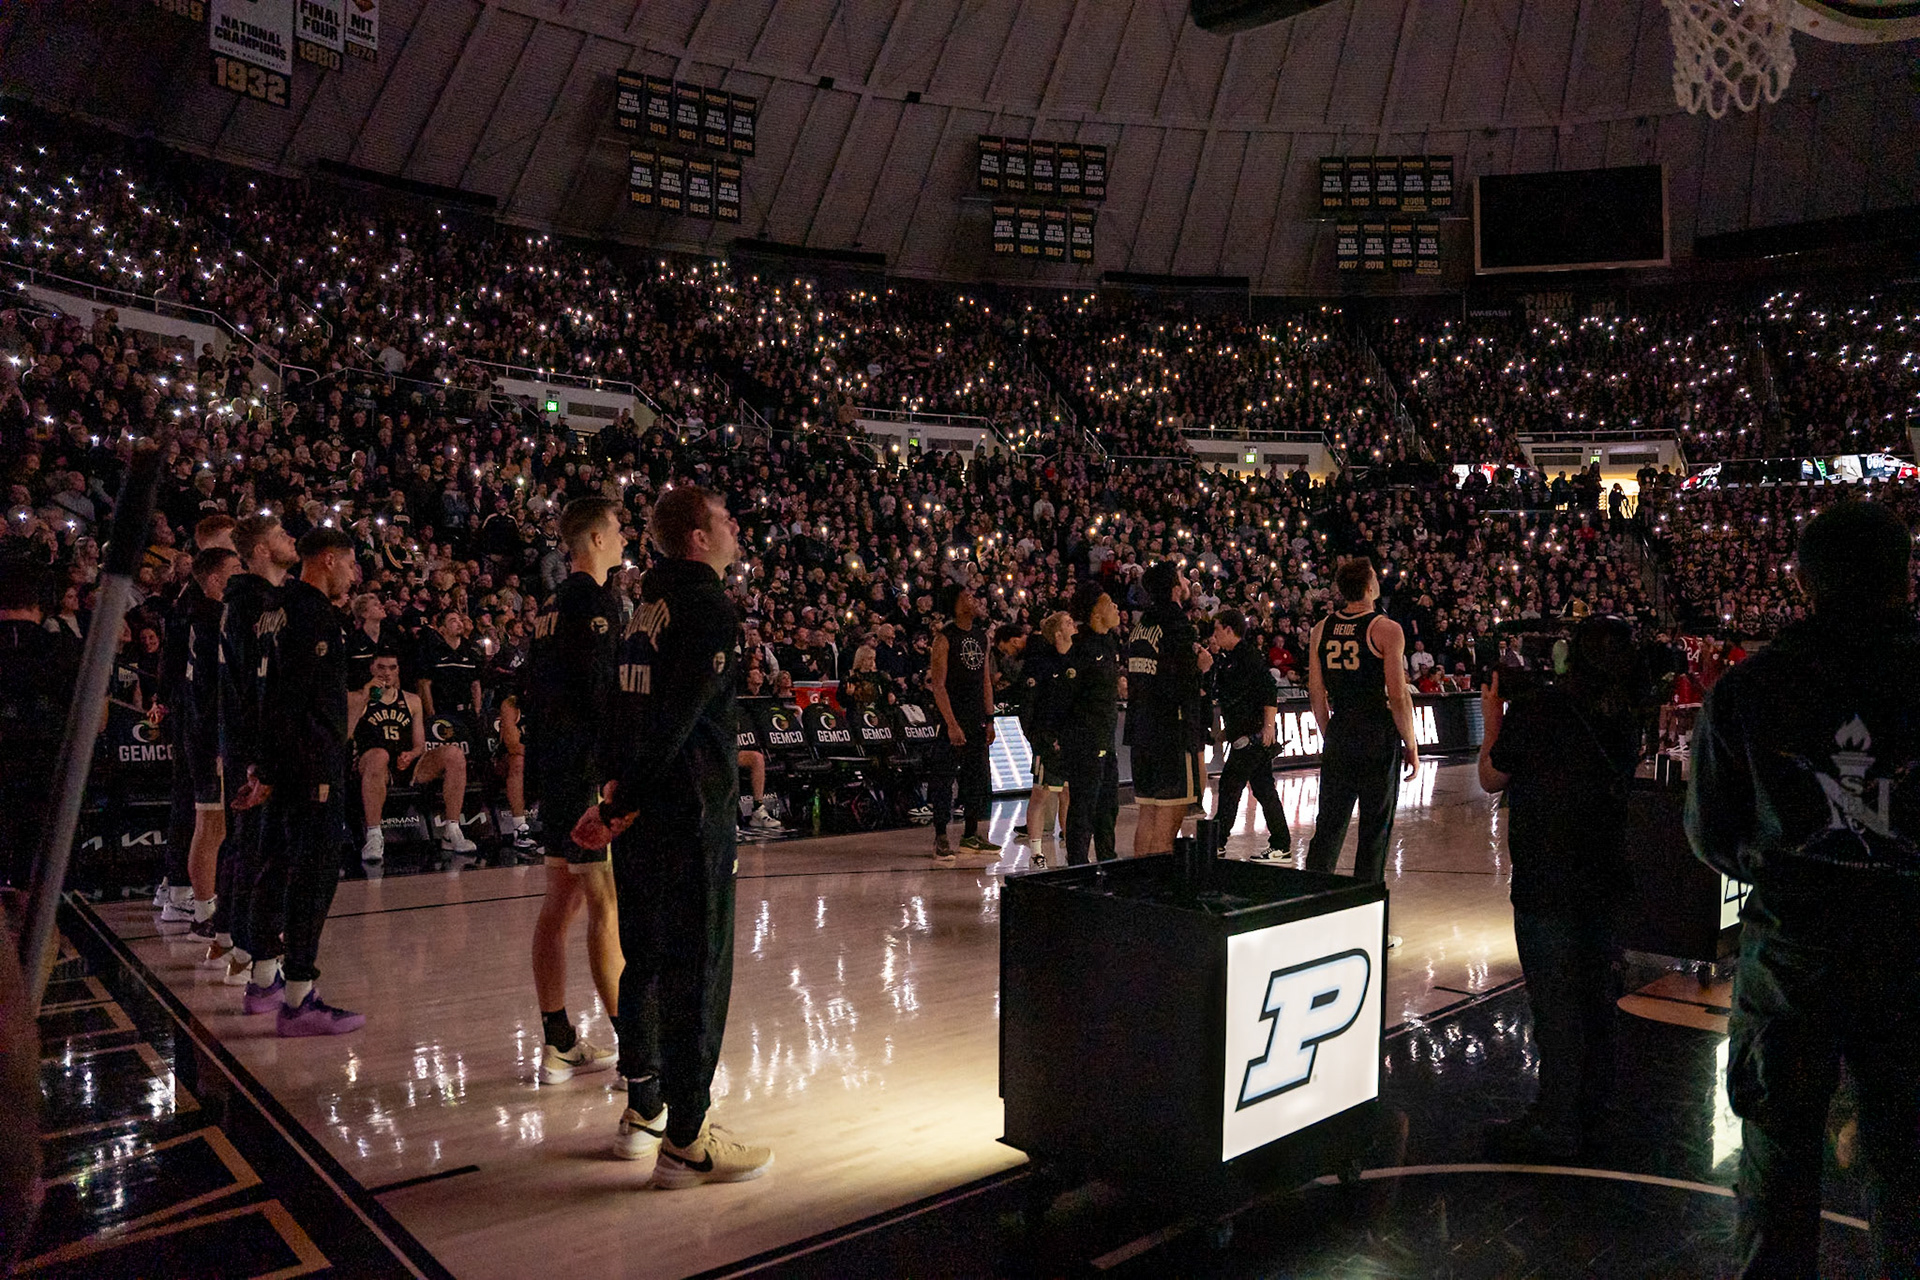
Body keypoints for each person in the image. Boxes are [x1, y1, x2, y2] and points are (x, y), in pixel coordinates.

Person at [1686, 501, 1920, 1277]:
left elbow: (1711, 836)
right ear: (1904, 576)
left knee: (1777, 1178)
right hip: (1909, 957)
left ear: (1801, 581)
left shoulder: (1751, 690)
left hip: (1792, 962)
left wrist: (1792, 864)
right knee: (1909, 1178)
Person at [571, 485, 773, 1187]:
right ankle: (689, 1138)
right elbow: (676, 723)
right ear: (696, 536)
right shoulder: (707, 610)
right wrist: (622, 796)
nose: (734, 525)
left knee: (647, 960)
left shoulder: (642, 609)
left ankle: (645, 1109)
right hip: (687, 817)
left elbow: (622, 714)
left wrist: (614, 798)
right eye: (723, 518)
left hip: (642, 815)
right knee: (699, 971)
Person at [1476, 620, 1646, 1161]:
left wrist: (1491, 720)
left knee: (1554, 1005)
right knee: (1597, 998)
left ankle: (1556, 1122)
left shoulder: (1540, 710)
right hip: (1604, 876)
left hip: (1548, 879)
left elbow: (1491, 776)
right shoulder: (1626, 714)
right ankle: (1597, 1113)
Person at [522, 497, 625, 1085]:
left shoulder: (549, 608)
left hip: (557, 770)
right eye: (615, 530)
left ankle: (558, 1039)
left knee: (558, 903)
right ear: (591, 539)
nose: (623, 538)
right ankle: (633, 1045)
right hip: (587, 774)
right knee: (604, 904)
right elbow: (602, 697)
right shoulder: (594, 602)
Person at [248, 527, 365, 1036]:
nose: (354, 574)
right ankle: (299, 998)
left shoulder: (277, 608)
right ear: (329, 560)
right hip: (310, 766)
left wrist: (263, 766)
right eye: (350, 563)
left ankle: (263, 979)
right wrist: (276, 767)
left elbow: (267, 697)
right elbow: (293, 700)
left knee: (274, 867)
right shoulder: (313, 613)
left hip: (284, 763)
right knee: (313, 877)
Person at [210, 515, 296, 986]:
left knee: (252, 848)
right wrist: (253, 756)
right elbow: (251, 686)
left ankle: (241, 948)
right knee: (261, 850)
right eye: (281, 535)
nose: (290, 540)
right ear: (260, 551)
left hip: (249, 743)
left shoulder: (251, 600)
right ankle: (251, 954)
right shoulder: (252, 604)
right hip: (254, 747)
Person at [1304, 557, 1419, 909]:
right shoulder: (1387, 629)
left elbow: (1316, 692)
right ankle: (1365, 916)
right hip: (1376, 733)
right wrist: (1411, 744)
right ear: (1370, 588)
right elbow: (1397, 695)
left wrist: (1331, 732)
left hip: (1341, 731)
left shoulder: (1321, 629)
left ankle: (1308, 906)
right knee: (1374, 831)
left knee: (1328, 827)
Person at [158, 548, 240, 938]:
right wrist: (221, 741)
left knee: (212, 825)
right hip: (209, 732)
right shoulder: (208, 621)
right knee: (211, 825)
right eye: (233, 569)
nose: (239, 574)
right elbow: (211, 688)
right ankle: (205, 912)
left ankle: (207, 907)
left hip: (202, 728)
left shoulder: (200, 614)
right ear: (213, 579)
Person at [349, 653, 476, 863]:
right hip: (373, 763)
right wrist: (365, 695)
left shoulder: (412, 700)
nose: (386, 673)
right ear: (372, 669)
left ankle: (451, 831)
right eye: (381, 667)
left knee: (454, 753)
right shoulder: (356, 697)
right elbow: (345, 735)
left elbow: (420, 745)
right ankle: (373, 836)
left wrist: (411, 755)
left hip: (408, 763)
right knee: (380, 755)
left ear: (398, 670)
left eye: (392, 667)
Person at [0, 558, 80, 890]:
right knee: (33, 875)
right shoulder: (63, 648)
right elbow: (96, 720)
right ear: (39, 604)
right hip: (44, 767)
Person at [1126, 563, 1211, 857]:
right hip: (1169, 734)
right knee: (1167, 829)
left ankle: (1141, 888)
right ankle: (1159, 893)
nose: (1187, 581)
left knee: (1147, 815)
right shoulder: (1177, 625)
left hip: (1140, 731)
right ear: (1175, 587)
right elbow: (1180, 684)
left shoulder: (1141, 626)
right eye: (1182, 577)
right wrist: (1201, 669)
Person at [926, 582, 999, 865]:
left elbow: (985, 681)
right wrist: (951, 724)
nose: (974, 599)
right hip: (952, 718)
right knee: (944, 778)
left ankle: (971, 834)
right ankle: (941, 835)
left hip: (976, 717)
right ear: (957, 603)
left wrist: (990, 718)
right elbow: (938, 685)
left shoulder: (982, 637)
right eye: (968, 596)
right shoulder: (944, 638)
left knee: (976, 776)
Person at [1210, 608, 1291, 861]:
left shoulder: (1247, 656)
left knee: (1230, 784)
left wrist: (1268, 728)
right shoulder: (1229, 658)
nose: (1213, 634)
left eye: (1216, 629)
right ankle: (1281, 843)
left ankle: (1217, 842)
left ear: (1228, 630)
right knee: (1264, 787)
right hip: (1242, 733)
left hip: (1252, 736)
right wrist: (1227, 731)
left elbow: (1268, 691)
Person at [1058, 583, 1123, 867]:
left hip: (1106, 739)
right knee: (1084, 804)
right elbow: (1065, 695)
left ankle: (1107, 859)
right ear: (1096, 612)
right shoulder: (1080, 647)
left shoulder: (1109, 642)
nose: (1116, 609)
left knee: (1109, 805)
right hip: (1085, 739)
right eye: (1110, 604)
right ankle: (1078, 865)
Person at [1018, 610, 1075, 866]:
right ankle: (1036, 851)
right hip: (1046, 740)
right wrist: (1038, 738)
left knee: (1067, 792)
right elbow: (1028, 707)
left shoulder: (1076, 661)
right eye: (1068, 622)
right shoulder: (1041, 664)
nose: (1073, 625)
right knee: (1040, 794)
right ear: (1057, 633)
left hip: (1070, 739)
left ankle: (1070, 843)